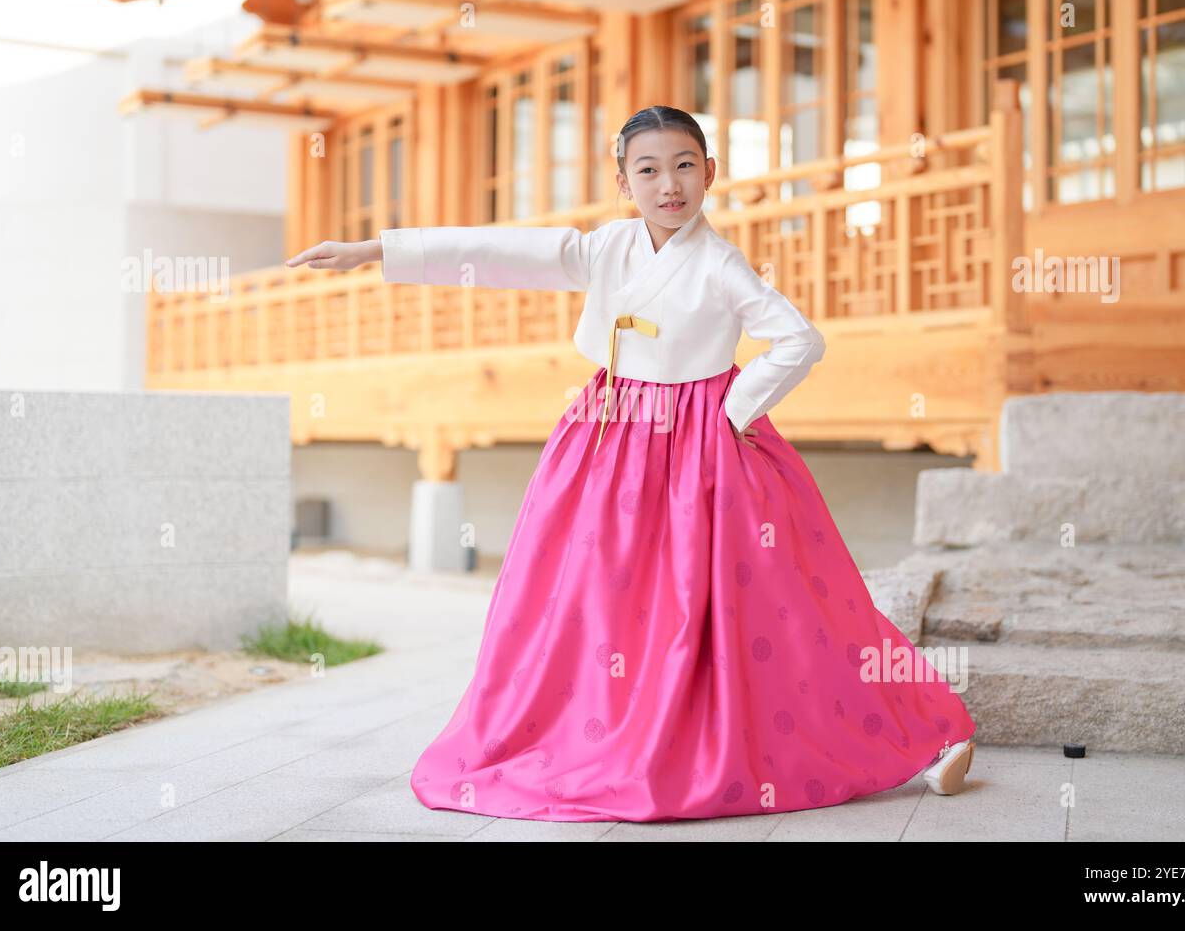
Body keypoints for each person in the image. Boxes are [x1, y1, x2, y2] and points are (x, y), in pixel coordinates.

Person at [286, 105, 977, 822]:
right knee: (586, 595)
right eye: (648, 170)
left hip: (696, 448)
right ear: (624, 180)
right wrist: (375, 251)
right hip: (607, 434)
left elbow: (799, 340)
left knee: (775, 601)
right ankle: (599, 729)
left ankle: (923, 731)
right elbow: (503, 253)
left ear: (710, 172)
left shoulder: (719, 262)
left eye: (684, 166)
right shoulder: (609, 247)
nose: (668, 184)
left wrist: (732, 411)